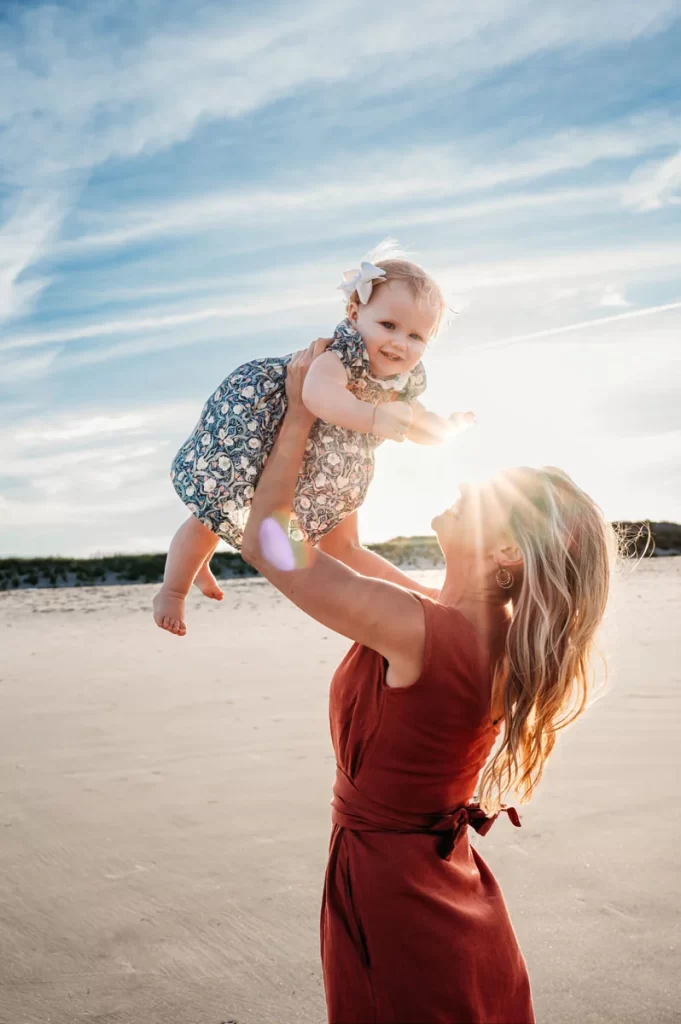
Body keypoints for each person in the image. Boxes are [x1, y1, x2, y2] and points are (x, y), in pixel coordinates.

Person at [240, 341, 615, 1024]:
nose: (470, 485)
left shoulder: (420, 629)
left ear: (506, 551)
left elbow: (269, 541)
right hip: (446, 882)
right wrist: (357, 418)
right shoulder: (473, 630)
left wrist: (298, 416)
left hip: (397, 895)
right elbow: (343, 549)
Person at [153, 242, 472, 636]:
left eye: (416, 336)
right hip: (265, 435)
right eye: (388, 325)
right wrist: (373, 417)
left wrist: (444, 429)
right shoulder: (337, 356)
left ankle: (421, 592)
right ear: (355, 314)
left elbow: (415, 419)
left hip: (328, 470)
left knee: (343, 547)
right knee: (211, 513)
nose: (400, 343)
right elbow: (318, 397)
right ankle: (172, 591)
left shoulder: (399, 380)